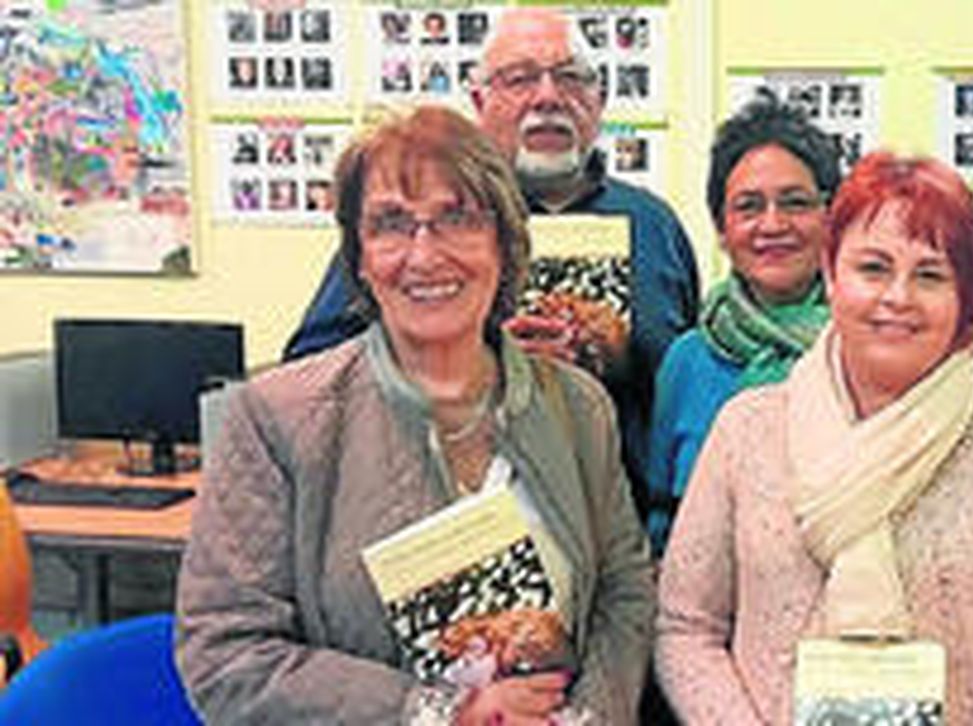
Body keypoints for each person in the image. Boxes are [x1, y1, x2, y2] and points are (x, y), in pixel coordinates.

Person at [175, 106, 654, 725]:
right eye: (392, 224)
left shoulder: (579, 407)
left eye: (457, 219)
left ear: (505, 245)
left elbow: (625, 594)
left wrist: (585, 719)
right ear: (361, 258)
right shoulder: (279, 420)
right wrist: (438, 713)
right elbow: (226, 655)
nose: (424, 256)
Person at [657, 152, 973, 724]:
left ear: (967, 298)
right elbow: (686, 627)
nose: (898, 296)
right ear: (831, 274)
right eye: (873, 268)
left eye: (930, 275)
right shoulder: (747, 431)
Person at [282, 7, 700, 510]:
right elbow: (311, 369)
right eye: (520, 79)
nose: (548, 97)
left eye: (570, 77)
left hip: (611, 516)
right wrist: (475, 353)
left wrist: (618, 353)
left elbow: (684, 383)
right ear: (480, 101)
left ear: (600, 99)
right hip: (443, 514)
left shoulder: (654, 225)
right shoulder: (426, 222)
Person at [644, 99, 839, 552]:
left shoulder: (866, 347)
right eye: (749, 207)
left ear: (831, 218)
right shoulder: (687, 361)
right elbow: (660, 515)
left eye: (795, 203)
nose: (773, 224)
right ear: (721, 229)